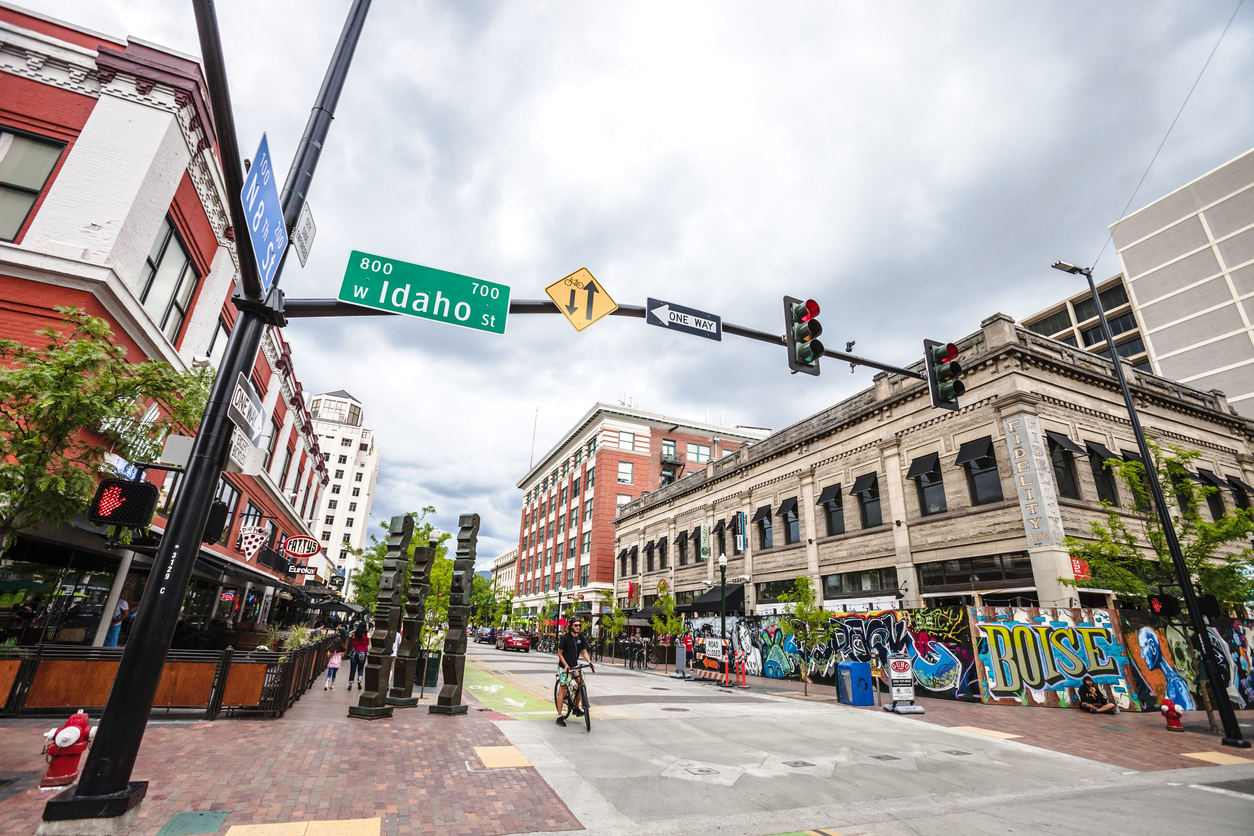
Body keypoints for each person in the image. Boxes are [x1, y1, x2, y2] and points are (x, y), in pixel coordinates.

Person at [555, 617, 594, 727]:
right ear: (571, 626)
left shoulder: (581, 637)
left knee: (582, 684)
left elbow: (585, 651)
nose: (578, 627)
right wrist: (566, 665)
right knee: (563, 689)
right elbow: (559, 653)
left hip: (574, 666)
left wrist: (589, 661)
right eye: (576, 625)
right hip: (564, 667)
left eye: (579, 625)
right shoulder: (565, 638)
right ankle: (559, 716)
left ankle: (576, 707)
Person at [347, 622, 369, 691]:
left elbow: (350, 636)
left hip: (354, 651)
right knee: (361, 668)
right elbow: (368, 644)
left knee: (352, 668)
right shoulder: (367, 634)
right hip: (363, 652)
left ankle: (350, 684)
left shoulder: (356, 634)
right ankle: (359, 679)